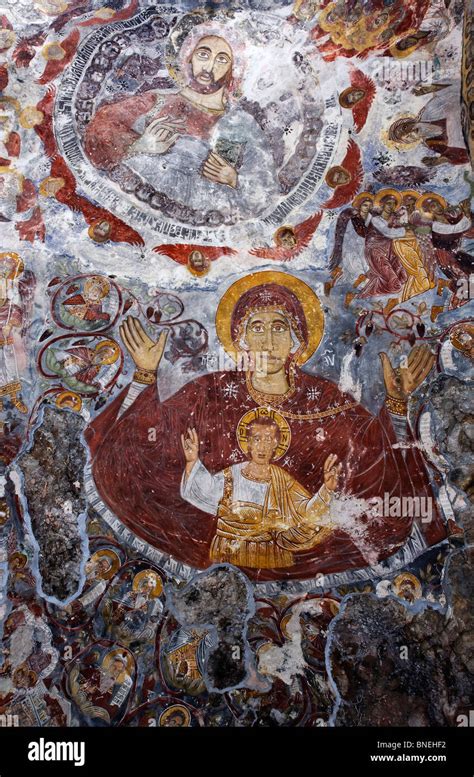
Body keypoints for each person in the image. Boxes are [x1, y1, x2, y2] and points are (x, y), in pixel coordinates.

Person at [85, 270, 446, 582]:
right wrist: (145, 376)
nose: (268, 342)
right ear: (240, 338)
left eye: (279, 328)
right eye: (257, 328)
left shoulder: (326, 399)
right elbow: (146, 444)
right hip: (219, 542)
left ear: (297, 341)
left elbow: (373, 461)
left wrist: (396, 404)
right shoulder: (208, 392)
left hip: (304, 553)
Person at [84, 32, 278, 220]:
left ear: (232, 70)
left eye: (222, 59)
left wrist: (233, 179)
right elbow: (97, 136)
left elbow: (266, 191)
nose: (209, 66)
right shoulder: (155, 101)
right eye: (203, 54)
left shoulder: (240, 124)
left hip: (205, 222)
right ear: (189, 57)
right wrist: (139, 146)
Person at [181, 415, 340, 568]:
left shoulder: (282, 481)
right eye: (257, 439)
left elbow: (306, 512)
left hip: (269, 555)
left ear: (276, 444)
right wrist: (192, 461)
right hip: (228, 552)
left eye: (268, 440)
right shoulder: (232, 475)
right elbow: (203, 490)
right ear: (248, 443)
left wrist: (327, 489)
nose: (262, 446)